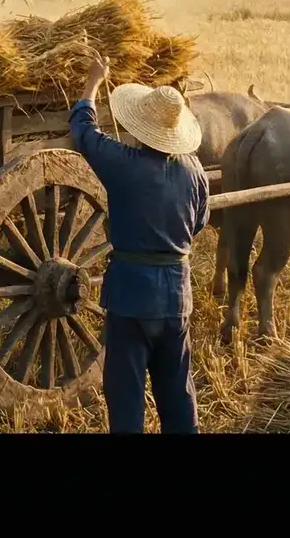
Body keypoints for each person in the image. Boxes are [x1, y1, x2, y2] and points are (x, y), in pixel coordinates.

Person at [69, 51, 209, 434]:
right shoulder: (195, 170)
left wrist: (93, 83)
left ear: (141, 128)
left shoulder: (123, 163)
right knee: (177, 391)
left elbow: (83, 133)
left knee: (126, 394)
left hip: (131, 296)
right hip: (177, 295)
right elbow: (198, 223)